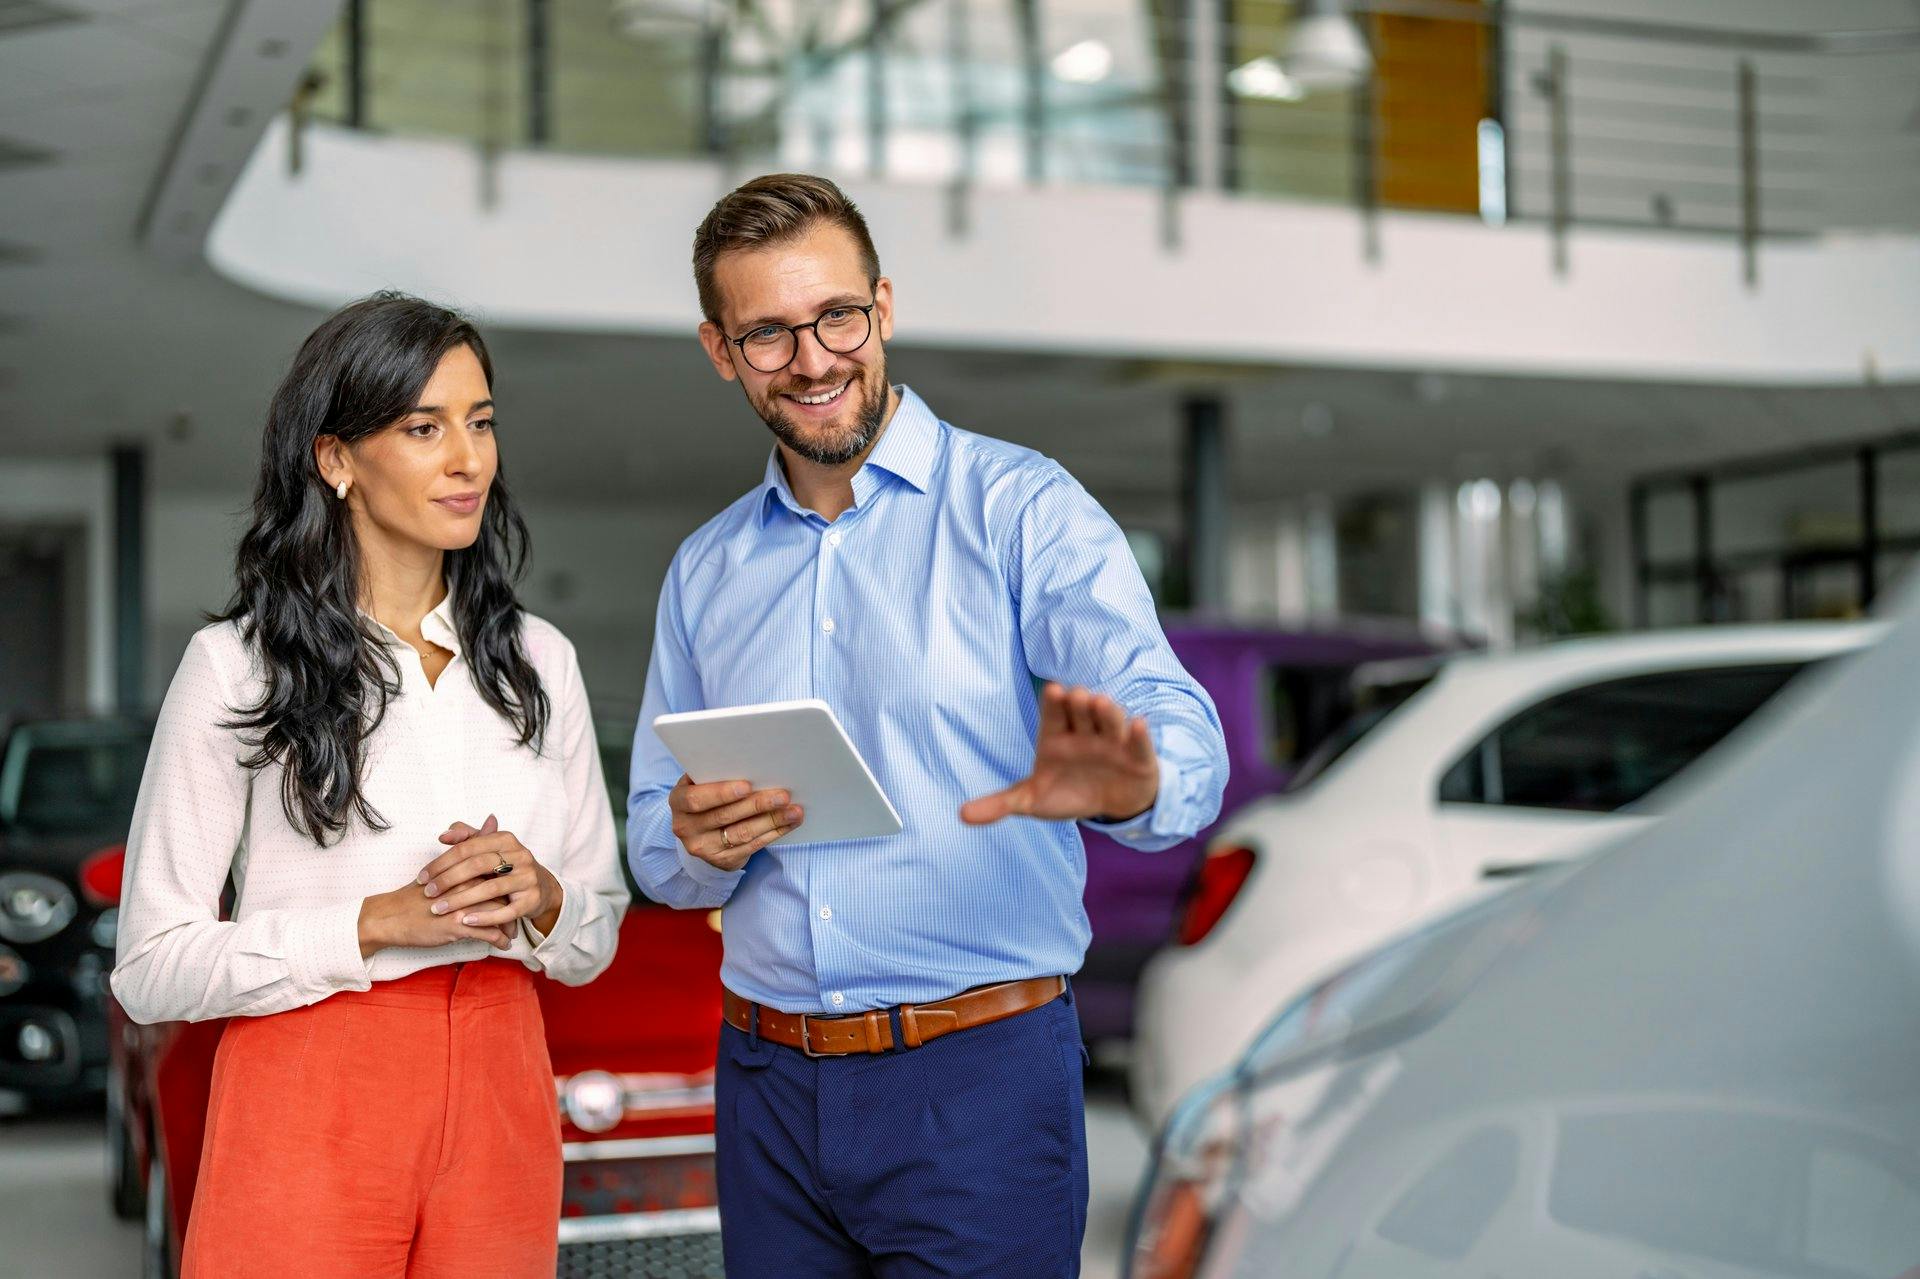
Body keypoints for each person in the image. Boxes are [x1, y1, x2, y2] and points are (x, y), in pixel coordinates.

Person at [627, 174, 1229, 1276]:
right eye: (767, 334)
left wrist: (1131, 783)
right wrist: (691, 843)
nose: (812, 360)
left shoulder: (1023, 509)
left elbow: (1174, 728)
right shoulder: (706, 569)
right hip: (766, 1085)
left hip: (978, 1084)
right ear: (721, 349)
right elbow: (655, 853)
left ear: (884, 307)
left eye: (837, 318)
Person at [111, 292, 629, 1279]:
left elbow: (594, 929)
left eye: (480, 422)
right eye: (422, 427)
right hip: (308, 1084)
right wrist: (374, 923)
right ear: (336, 457)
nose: (467, 458)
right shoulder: (237, 667)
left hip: (502, 1083)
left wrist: (546, 897)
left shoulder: (539, 662)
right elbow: (150, 967)